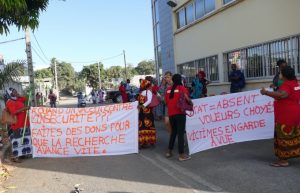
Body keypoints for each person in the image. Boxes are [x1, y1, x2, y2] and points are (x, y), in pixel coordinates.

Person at [260, 66, 300, 167]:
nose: (279, 75)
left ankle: (283, 161)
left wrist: (266, 92)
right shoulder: (295, 83)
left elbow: (282, 95)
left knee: (282, 136)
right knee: (294, 135)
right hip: (295, 113)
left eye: (280, 73)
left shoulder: (286, 85)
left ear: (284, 75)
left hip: (286, 115)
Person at [164, 74, 192, 161]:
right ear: (180, 80)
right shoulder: (182, 88)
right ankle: (181, 155)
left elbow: (165, 102)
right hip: (180, 113)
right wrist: (191, 103)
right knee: (180, 134)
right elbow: (187, 99)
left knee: (173, 133)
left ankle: (169, 151)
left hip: (171, 114)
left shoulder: (168, 90)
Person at [5, 88, 32, 162]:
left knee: (24, 139)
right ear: (10, 94)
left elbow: (25, 98)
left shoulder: (17, 100)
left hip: (24, 123)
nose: (16, 92)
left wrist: (18, 95)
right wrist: (24, 108)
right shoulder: (9, 102)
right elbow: (13, 112)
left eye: (16, 91)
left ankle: (23, 153)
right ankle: (15, 157)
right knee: (16, 141)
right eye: (14, 92)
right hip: (17, 124)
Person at [138, 79, 156, 148]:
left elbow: (149, 101)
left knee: (147, 126)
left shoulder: (147, 92)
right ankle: (144, 141)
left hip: (147, 111)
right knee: (143, 126)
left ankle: (148, 141)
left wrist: (142, 106)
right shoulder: (143, 92)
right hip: (143, 112)